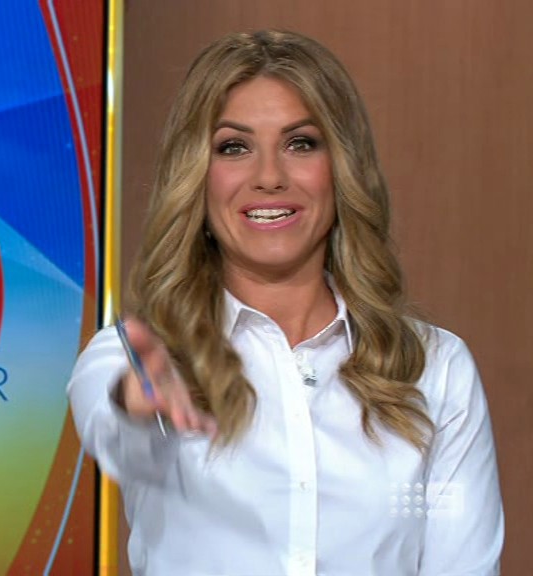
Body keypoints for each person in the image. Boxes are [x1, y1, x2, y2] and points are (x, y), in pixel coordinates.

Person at [67, 30, 503, 576]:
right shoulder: (136, 358)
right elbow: (114, 433)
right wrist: (133, 405)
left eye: (300, 144)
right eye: (234, 147)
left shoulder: (436, 368)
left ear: (341, 167)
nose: (269, 177)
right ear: (196, 176)